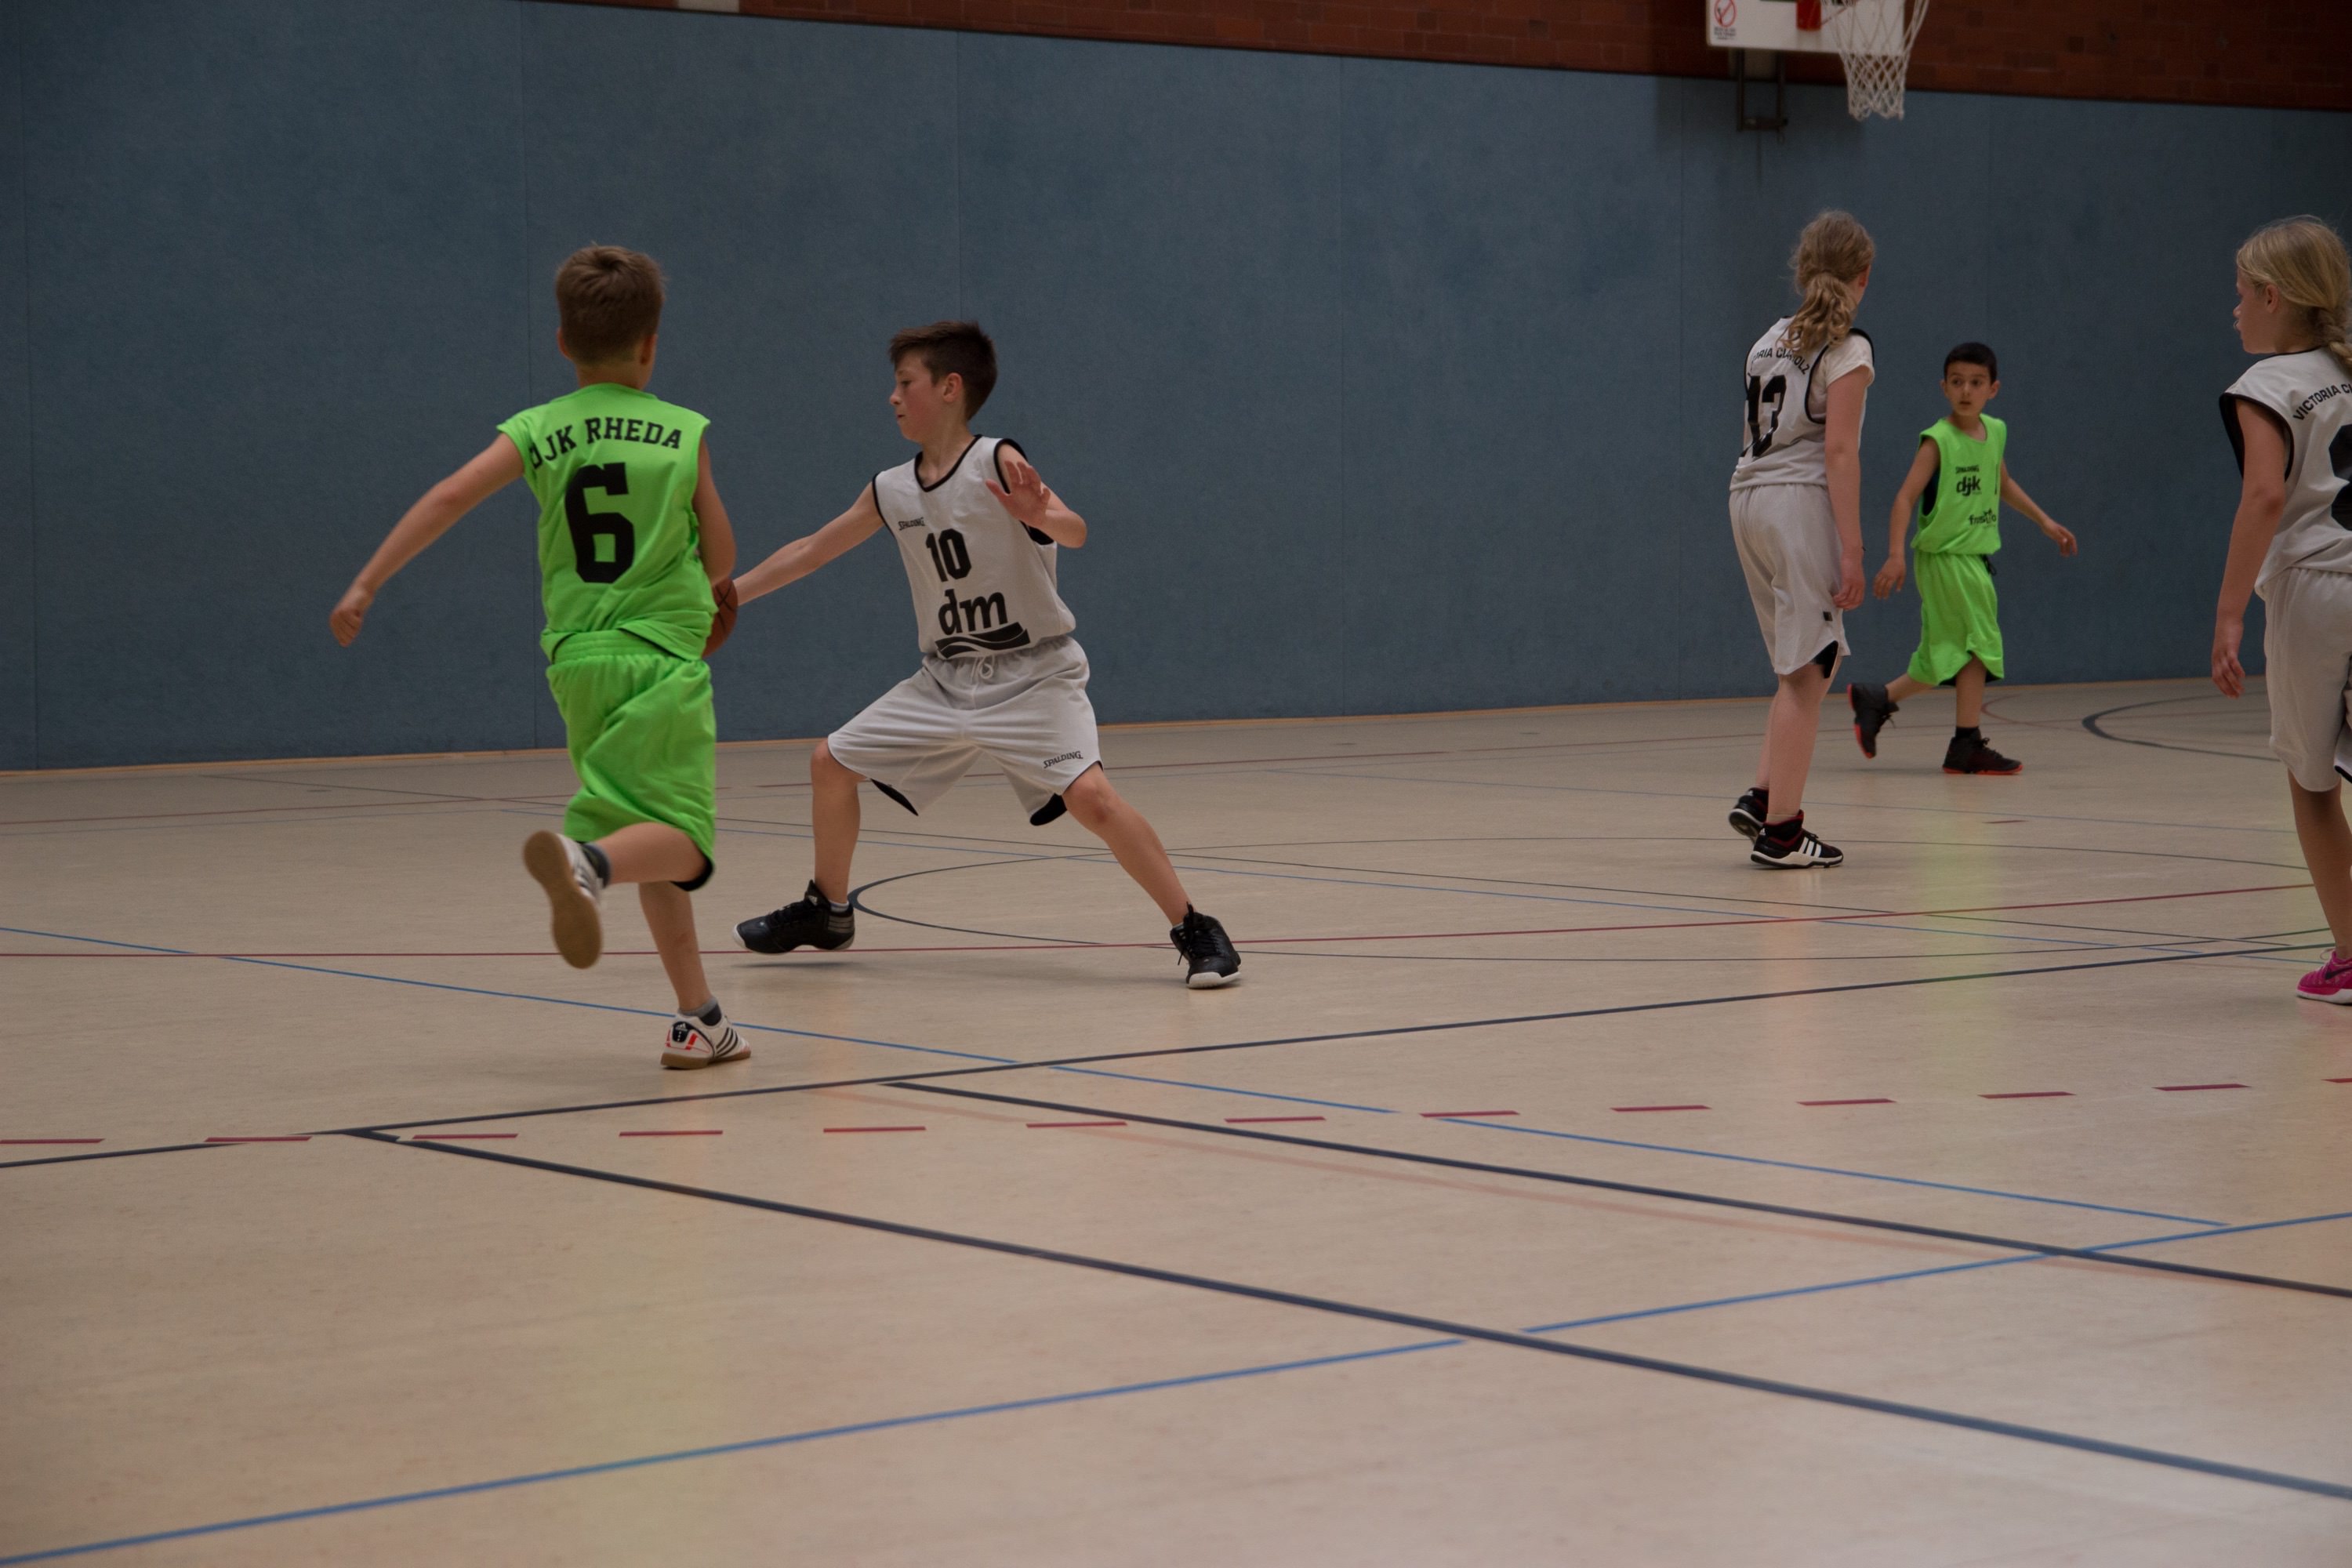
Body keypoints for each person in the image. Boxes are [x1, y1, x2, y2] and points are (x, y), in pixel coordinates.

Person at [726, 321, 1242, 986]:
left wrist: (1040, 515)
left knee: (1092, 800)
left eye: (905, 383)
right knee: (830, 763)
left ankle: (1195, 926)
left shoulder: (997, 460)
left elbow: (1076, 532)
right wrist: (729, 596)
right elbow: (810, 550)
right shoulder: (891, 488)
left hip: (1034, 674)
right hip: (946, 679)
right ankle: (827, 910)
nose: (892, 397)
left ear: (950, 388)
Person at [330, 245, 746, 1067]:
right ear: (651, 343)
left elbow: (450, 494)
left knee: (643, 825)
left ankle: (698, 1017)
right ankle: (585, 861)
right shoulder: (683, 430)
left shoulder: (538, 429)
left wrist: (367, 582)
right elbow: (723, 555)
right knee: (684, 841)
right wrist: (707, 586)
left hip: (578, 662)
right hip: (659, 656)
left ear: (562, 342)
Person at [2209, 216, 2352, 1004]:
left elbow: (2264, 495)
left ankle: (2351, 954)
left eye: (2240, 294)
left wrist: (2230, 612)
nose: (2233, 309)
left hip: (2319, 586)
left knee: (2313, 779)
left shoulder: (2266, 385)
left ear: (2273, 297)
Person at [1849, 343, 2078, 772]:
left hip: (1973, 558)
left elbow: (2002, 482)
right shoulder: (1938, 441)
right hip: (1945, 557)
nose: (1966, 391)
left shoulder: (1995, 432)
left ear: (1993, 389)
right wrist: (1895, 554)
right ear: (1944, 387)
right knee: (1979, 644)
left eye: (1975, 383)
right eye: (1957, 382)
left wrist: (2043, 521)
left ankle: (1878, 698)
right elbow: (1904, 498)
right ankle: (1965, 743)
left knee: (1949, 652)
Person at [1726, 212, 1875, 869]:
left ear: (1803, 269)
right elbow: (1839, 453)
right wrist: (1853, 548)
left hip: (1746, 498)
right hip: (1795, 505)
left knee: (1805, 665)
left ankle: (1763, 793)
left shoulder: (1767, 340)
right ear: (1864, 275)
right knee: (1808, 672)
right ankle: (1782, 832)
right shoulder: (1849, 349)